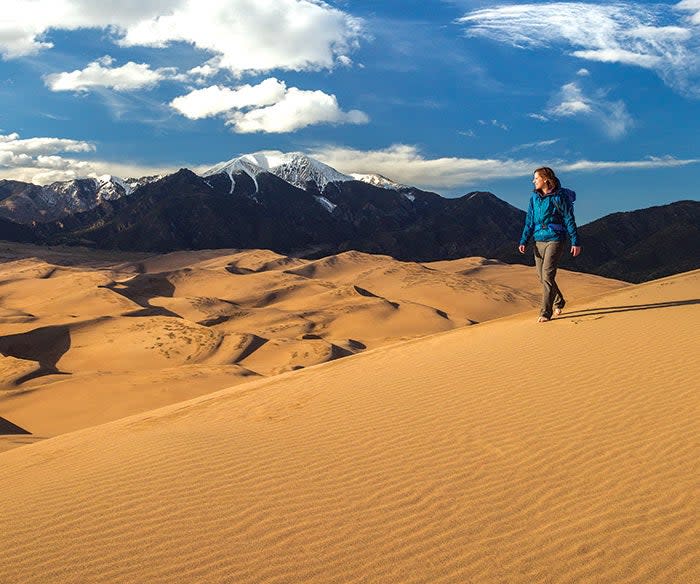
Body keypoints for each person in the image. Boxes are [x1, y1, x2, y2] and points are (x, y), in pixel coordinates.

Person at [518, 167, 581, 322]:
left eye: (536, 178)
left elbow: (568, 218)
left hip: (555, 239)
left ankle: (545, 312)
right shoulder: (534, 198)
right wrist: (523, 240)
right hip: (538, 240)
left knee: (547, 275)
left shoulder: (559, 197)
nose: (533, 181)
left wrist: (575, 241)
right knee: (542, 276)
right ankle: (559, 300)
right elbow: (530, 221)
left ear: (545, 179)